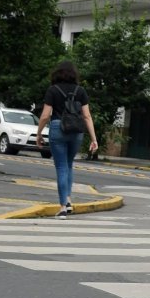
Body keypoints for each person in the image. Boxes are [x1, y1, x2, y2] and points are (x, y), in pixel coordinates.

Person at [35, 60, 98, 218]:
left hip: (58, 128)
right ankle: (68, 199)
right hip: (76, 131)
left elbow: (45, 115)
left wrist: (39, 133)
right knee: (69, 165)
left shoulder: (52, 90)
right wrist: (94, 139)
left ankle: (63, 206)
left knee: (61, 167)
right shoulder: (81, 91)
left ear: (57, 73)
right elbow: (87, 116)